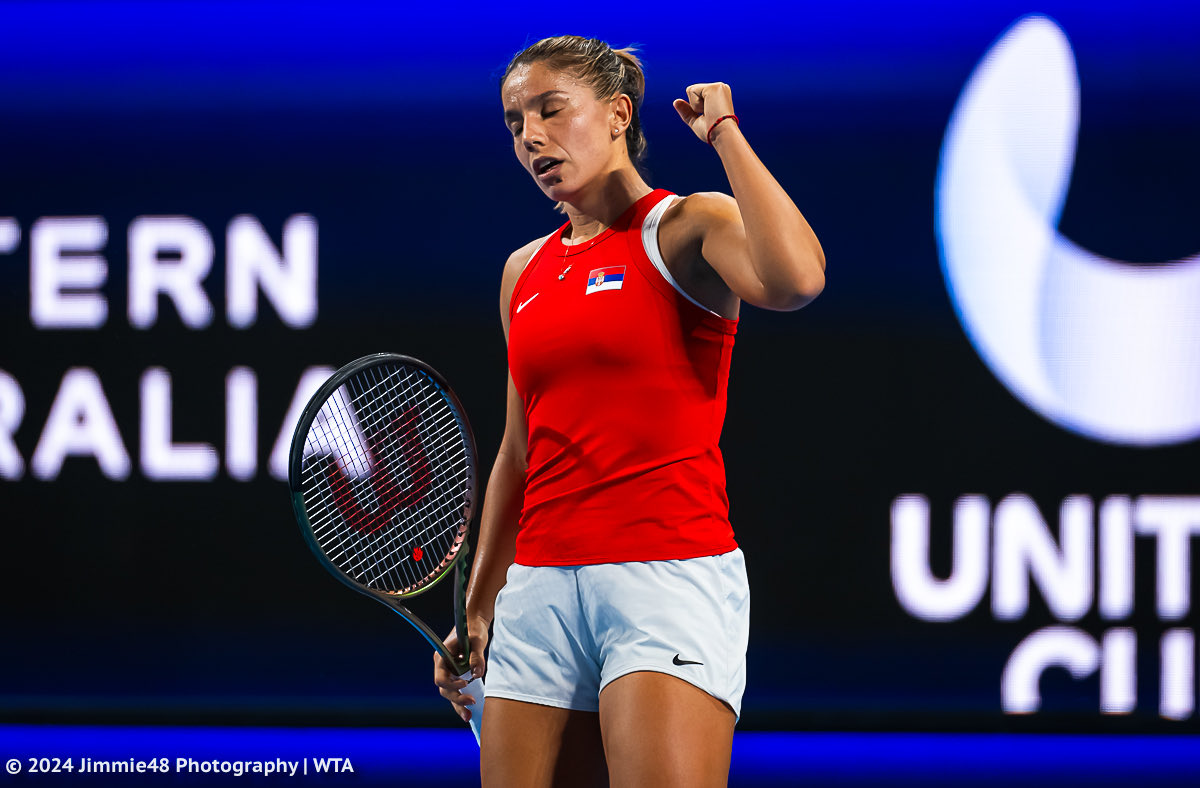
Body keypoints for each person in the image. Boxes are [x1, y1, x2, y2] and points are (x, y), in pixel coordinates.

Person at [433, 35, 824, 787]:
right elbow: (521, 451)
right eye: (516, 122)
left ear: (617, 114)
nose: (532, 136)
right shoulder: (524, 271)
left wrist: (725, 136)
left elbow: (799, 278)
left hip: (665, 577)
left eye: (551, 110)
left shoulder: (685, 227)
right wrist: (479, 605)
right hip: (539, 591)